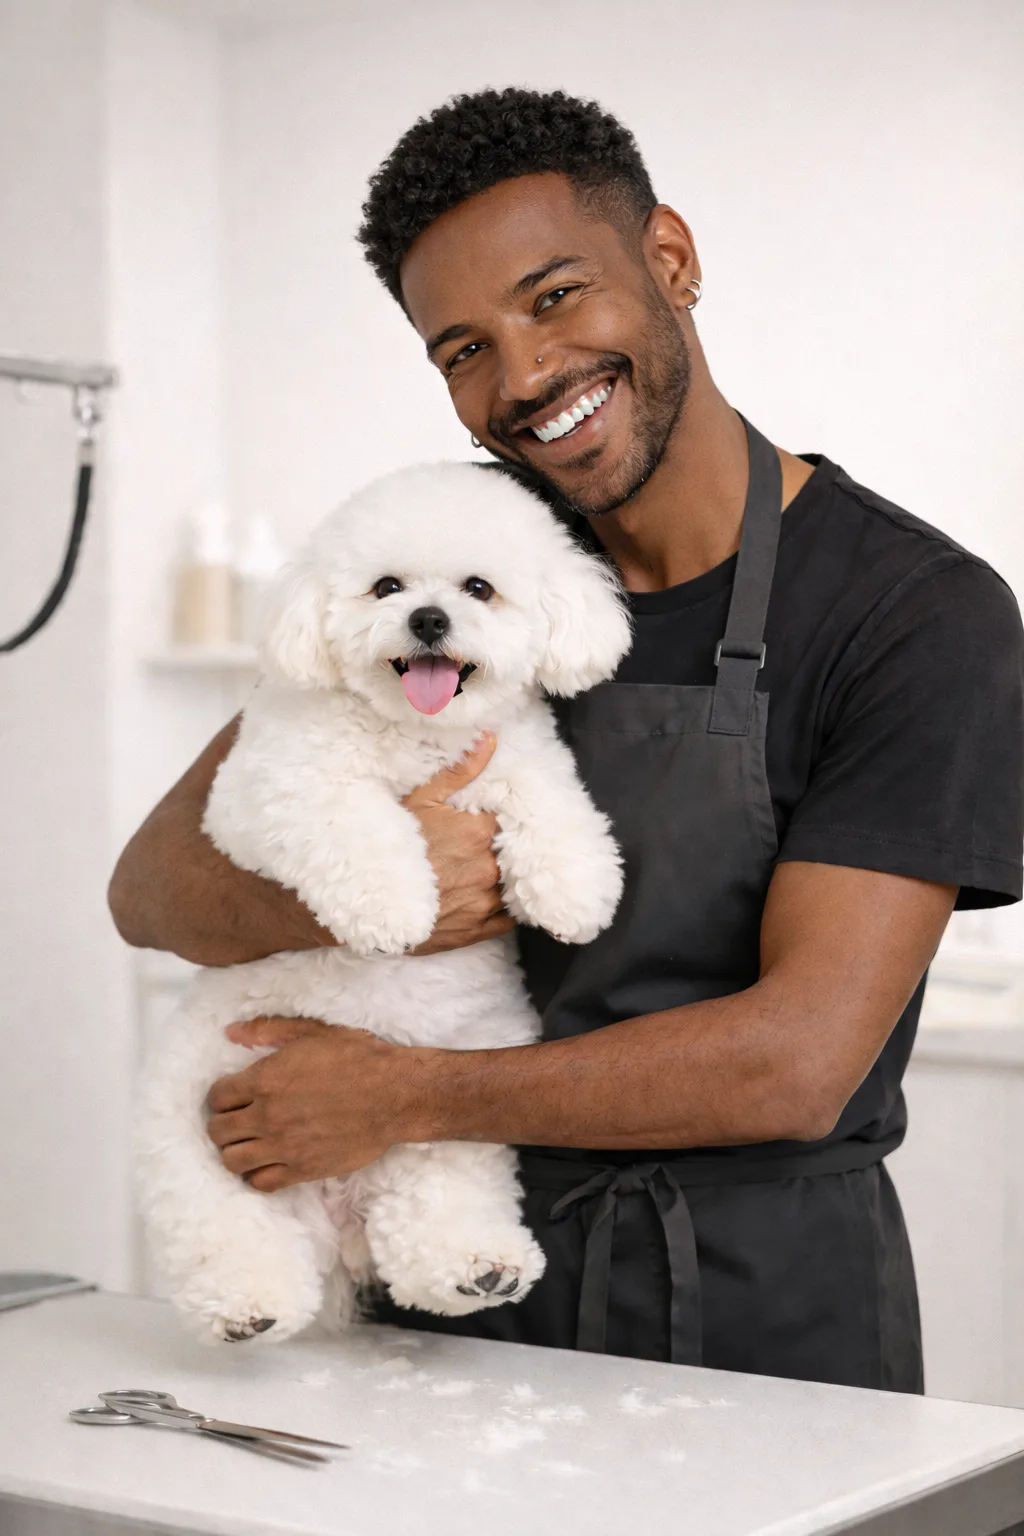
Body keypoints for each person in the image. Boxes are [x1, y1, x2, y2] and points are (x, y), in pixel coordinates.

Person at [109, 88, 1024, 1391]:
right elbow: (148, 889)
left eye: (553, 298)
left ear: (672, 261)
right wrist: (383, 891)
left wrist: (405, 1093)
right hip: (436, 1284)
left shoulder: (911, 611)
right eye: (461, 348)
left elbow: (797, 1065)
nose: (523, 377)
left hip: (759, 1321)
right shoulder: (458, 550)